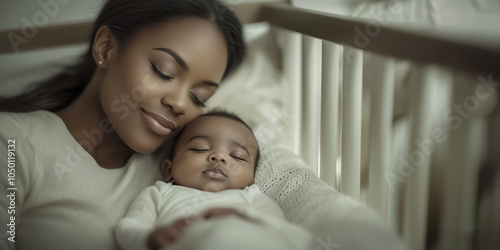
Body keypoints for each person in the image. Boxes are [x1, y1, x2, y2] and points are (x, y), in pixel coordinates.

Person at [0, 0, 245, 249]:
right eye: (163, 71)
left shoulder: (185, 163)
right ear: (106, 49)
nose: (180, 104)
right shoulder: (12, 143)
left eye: (199, 97)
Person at [115, 111, 313, 250]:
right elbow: (128, 228)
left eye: (237, 156)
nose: (219, 156)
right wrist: (150, 239)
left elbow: (289, 235)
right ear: (168, 170)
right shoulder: (160, 192)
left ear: (252, 178)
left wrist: (246, 218)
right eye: (200, 148)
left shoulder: (251, 196)